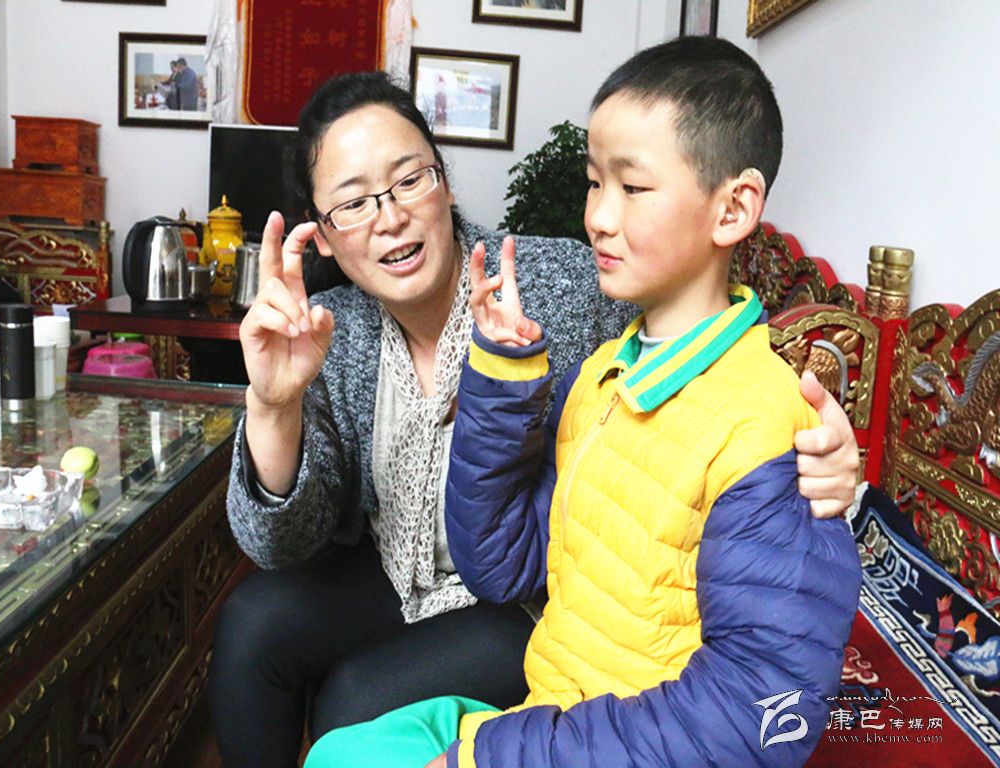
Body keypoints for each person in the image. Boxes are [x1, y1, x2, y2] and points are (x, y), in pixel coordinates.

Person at [211, 70, 861, 768]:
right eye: (353, 203)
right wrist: (273, 405)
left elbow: (709, 330)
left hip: (536, 596)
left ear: (445, 183)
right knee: (253, 622)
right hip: (421, 567)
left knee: (354, 703)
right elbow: (281, 543)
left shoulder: (570, 282)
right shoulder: (325, 331)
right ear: (324, 235)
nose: (390, 216)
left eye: (409, 180)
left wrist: (824, 449)